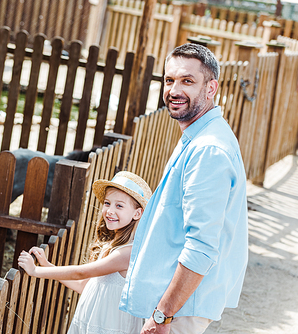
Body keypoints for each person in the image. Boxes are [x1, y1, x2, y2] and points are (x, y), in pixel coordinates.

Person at [119, 43, 248, 334]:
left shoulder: (208, 150)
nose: (175, 90)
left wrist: (163, 314)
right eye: (169, 80)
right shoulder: (198, 134)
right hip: (178, 303)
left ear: (211, 87)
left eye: (187, 81)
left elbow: (202, 247)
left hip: (180, 309)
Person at [18, 171, 152, 334]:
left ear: (137, 213)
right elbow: (85, 285)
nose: (109, 210)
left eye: (119, 206)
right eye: (107, 203)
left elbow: (81, 273)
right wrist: (47, 265)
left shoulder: (127, 253)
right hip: (91, 321)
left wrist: (36, 270)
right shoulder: (111, 246)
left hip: (111, 327)